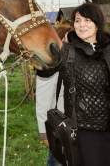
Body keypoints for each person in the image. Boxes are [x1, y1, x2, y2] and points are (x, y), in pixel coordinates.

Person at [46, 3, 110, 166]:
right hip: (85, 132)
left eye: (87, 20)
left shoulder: (109, 49)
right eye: (77, 21)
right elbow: (45, 70)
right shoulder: (66, 52)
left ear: (97, 23)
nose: (81, 25)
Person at [36, 25, 72, 166]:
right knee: (58, 160)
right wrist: (44, 132)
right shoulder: (51, 66)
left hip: (73, 123)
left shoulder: (73, 61)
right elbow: (42, 100)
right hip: (58, 123)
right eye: (70, 38)